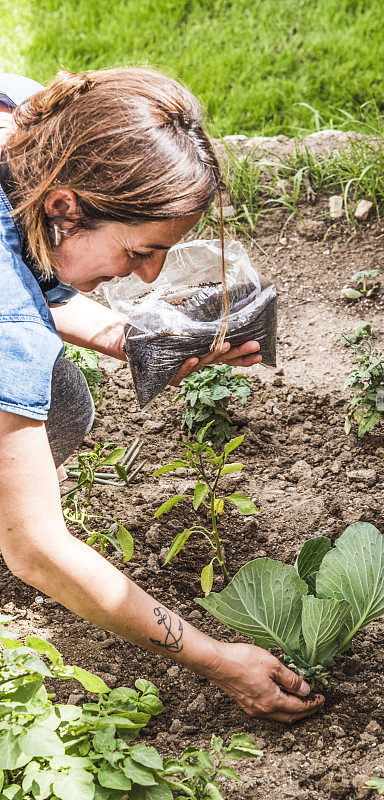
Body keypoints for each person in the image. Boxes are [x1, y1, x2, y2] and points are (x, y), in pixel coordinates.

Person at [0, 68, 324, 722]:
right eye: (141, 250)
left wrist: (138, 340)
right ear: (64, 207)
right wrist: (214, 658)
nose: (149, 274)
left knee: (62, 404)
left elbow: (31, 285)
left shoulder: (35, 121)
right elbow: (36, 547)